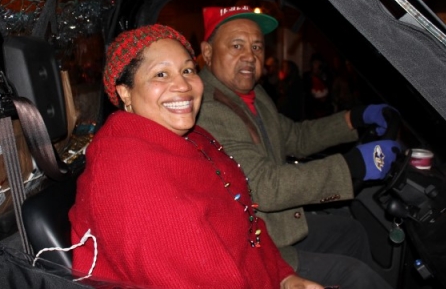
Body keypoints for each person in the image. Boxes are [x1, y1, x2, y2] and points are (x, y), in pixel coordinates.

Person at [68, 24, 324, 289]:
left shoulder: (193, 137)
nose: (182, 85)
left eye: (188, 70)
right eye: (161, 74)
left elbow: (245, 218)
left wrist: (285, 276)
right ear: (125, 92)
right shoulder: (127, 174)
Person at [196, 5, 402, 289]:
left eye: (257, 47)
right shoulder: (207, 108)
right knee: (354, 275)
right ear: (207, 52)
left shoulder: (252, 94)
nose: (250, 56)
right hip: (250, 244)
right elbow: (265, 187)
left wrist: (354, 118)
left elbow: (295, 136)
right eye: (236, 45)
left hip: (271, 225)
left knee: (351, 232)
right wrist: (353, 166)